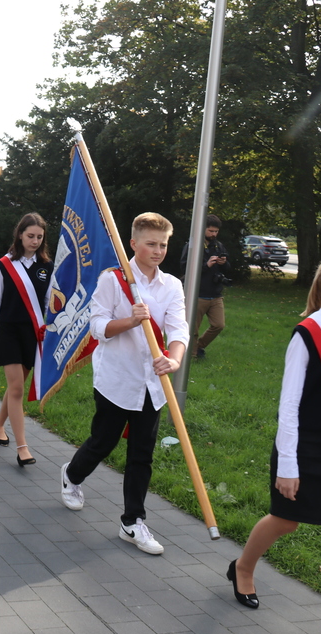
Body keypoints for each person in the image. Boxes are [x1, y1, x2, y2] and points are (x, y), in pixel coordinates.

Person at [229, 248, 321, 634]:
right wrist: (288, 464)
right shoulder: (307, 334)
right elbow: (288, 405)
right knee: (286, 520)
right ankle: (242, 567)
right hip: (303, 446)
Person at [59, 212, 188, 555]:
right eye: (151, 244)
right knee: (103, 441)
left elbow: (178, 330)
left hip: (153, 384)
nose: (158, 250)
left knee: (142, 454)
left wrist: (173, 359)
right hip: (117, 379)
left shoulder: (172, 285)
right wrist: (129, 320)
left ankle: (133, 521)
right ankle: (72, 475)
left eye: (163, 244)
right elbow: (97, 327)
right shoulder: (113, 281)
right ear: (133, 244)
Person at [0, 213, 53, 465]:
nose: (34, 241)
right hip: (9, 332)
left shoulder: (47, 267)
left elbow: (48, 305)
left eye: (39, 237)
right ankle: (22, 447)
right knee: (17, 388)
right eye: (30, 236)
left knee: (15, 387)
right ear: (20, 235)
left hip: (32, 334)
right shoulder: (3, 265)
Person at [180, 214, 228, 359]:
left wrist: (223, 263)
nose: (214, 234)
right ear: (202, 229)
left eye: (216, 231)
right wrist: (206, 265)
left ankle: (199, 346)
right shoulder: (192, 246)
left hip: (215, 294)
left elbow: (228, 269)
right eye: (211, 231)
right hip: (197, 293)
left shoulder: (218, 246)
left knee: (219, 325)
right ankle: (192, 356)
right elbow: (184, 268)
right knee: (192, 329)